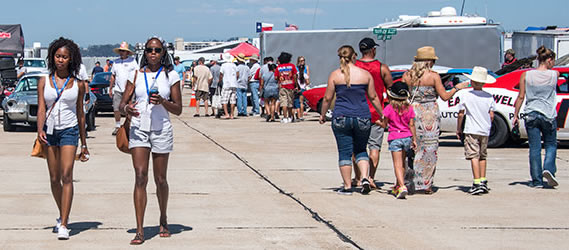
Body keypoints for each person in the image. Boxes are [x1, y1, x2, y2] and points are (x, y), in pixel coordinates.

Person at [119, 37, 183, 245]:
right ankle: (140, 229)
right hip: (139, 129)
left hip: (161, 129)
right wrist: (126, 108)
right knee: (140, 177)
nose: (153, 53)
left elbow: (179, 109)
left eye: (157, 50)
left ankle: (163, 219)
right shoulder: (135, 74)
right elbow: (122, 103)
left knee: (160, 179)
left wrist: (163, 101)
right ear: (144, 53)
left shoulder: (170, 75)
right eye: (149, 50)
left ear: (163, 52)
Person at [36, 37, 90, 240]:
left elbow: (81, 114)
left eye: (64, 57)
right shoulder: (44, 81)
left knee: (67, 175)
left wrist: (84, 143)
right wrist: (39, 129)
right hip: (49, 132)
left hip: (70, 130)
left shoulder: (78, 84)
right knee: (54, 178)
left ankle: (65, 223)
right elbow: (42, 107)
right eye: (58, 56)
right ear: (52, 57)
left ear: (71, 59)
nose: (60, 60)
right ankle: (62, 212)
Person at [401, 46, 468, 194]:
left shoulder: (407, 75)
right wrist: (457, 88)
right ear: (429, 61)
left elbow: (402, 94)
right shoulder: (433, 76)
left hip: (412, 111)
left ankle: (408, 181)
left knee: (412, 148)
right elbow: (445, 96)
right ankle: (425, 184)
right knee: (429, 150)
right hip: (429, 113)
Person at [319, 45, 383, 195]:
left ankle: (347, 186)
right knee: (361, 150)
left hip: (341, 117)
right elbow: (373, 97)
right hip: (362, 116)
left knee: (345, 152)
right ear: (354, 56)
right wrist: (381, 113)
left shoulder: (335, 75)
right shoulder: (365, 75)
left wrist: (322, 115)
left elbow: (328, 98)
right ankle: (365, 178)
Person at [513, 45, 559, 188]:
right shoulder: (554, 74)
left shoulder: (526, 75)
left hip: (531, 113)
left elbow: (521, 96)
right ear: (549, 60)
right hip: (548, 114)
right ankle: (548, 169)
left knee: (534, 148)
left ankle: (537, 181)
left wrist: (516, 115)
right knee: (550, 144)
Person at [353, 37, 393, 189]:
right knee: (374, 147)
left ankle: (358, 177)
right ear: (373, 50)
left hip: (357, 112)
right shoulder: (381, 68)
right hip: (376, 113)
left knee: (357, 148)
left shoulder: (354, 67)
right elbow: (390, 89)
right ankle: (370, 177)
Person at [456, 66, 497, 195]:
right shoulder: (489, 96)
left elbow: (461, 113)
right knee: (482, 155)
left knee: (473, 155)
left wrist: (459, 128)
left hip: (472, 128)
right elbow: (491, 115)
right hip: (485, 130)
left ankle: (477, 182)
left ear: (472, 81)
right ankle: (484, 180)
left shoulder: (466, 95)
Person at [377, 82, 416, 199]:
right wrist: (414, 139)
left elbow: (384, 124)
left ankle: (402, 186)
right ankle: (398, 185)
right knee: (403, 162)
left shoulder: (389, 108)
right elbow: (412, 124)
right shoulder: (409, 108)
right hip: (407, 137)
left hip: (395, 137)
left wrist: (377, 122)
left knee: (397, 164)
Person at [110, 41, 138, 135]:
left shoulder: (132, 61)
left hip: (129, 89)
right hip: (118, 89)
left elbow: (136, 74)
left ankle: (128, 124)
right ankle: (118, 125)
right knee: (116, 108)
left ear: (127, 52)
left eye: (124, 51)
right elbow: (113, 75)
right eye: (121, 51)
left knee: (129, 107)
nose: (122, 52)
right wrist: (110, 88)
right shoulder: (116, 62)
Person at [276, 52, 298, 123]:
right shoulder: (292, 66)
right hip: (291, 86)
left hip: (282, 86)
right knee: (290, 102)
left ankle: (285, 118)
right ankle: (291, 117)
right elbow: (295, 76)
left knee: (284, 102)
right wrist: (296, 85)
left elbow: (276, 77)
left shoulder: (279, 67)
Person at [219, 53, 238, 119]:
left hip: (226, 84)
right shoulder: (234, 65)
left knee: (224, 100)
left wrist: (220, 81)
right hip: (234, 84)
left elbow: (221, 74)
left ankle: (226, 114)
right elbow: (237, 74)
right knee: (233, 100)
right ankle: (232, 114)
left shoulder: (223, 65)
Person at [294, 56, 310, 121]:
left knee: (297, 102)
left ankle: (298, 115)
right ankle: (301, 116)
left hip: (297, 88)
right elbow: (308, 79)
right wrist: (305, 84)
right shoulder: (305, 69)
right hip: (303, 87)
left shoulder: (296, 69)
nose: (302, 62)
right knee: (301, 102)